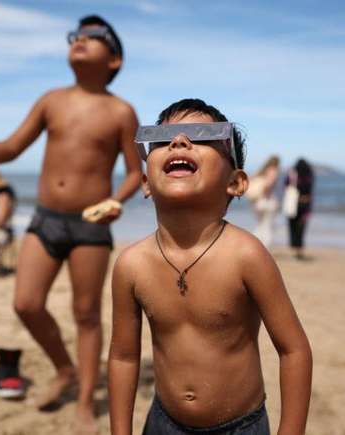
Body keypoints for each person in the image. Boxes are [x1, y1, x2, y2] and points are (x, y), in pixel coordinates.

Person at [0, 15, 142, 430]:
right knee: (26, 303)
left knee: (86, 313)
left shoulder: (121, 111)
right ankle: (65, 369)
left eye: (94, 37)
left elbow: (136, 173)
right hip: (46, 218)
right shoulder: (51, 99)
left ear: (115, 60)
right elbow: (13, 147)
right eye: (76, 36)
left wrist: (115, 201)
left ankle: (85, 399)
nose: (81, 40)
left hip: (90, 225)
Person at [108, 99, 312, 435]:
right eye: (161, 138)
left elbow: (294, 350)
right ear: (145, 183)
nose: (179, 141)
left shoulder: (246, 255)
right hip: (163, 423)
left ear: (235, 182)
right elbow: (123, 358)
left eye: (203, 137)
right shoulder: (132, 265)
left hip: (239, 426)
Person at [246, 155, 280, 247]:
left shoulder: (261, 171)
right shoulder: (273, 170)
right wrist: (266, 194)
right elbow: (269, 185)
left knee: (261, 225)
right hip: (266, 202)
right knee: (267, 226)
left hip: (257, 202)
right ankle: (264, 248)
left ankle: (254, 244)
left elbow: (251, 180)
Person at [284, 159, 315, 260]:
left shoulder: (293, 175)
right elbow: (310, 192)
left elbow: (286, 185)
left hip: (294, 205)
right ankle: (299, 251)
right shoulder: (309, 176)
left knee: (292, 228)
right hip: (305, 205)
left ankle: (294, 251)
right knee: (301, 229)